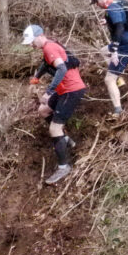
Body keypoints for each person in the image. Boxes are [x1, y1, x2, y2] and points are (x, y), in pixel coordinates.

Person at [23, 24, 86, 184]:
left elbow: (62, 68)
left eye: (32, 41)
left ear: (39, 36)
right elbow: (46, 63)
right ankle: (64, 139)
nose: (31, 45)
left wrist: (49, 91)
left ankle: (64, 167)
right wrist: (36, 77)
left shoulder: (49, 48)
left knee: (54, 128)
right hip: (63, 89)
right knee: (43, 110)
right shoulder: (49, 46)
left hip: (71, 91)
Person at [90, 0, 128, 118]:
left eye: (96, 1)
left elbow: (119, 28)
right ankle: (118, 75)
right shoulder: (119, 3)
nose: (97, 5)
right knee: (103, 50)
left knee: (108, 79)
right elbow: (121, 20)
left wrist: (115, 51)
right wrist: (107, 21)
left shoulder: (112, 8)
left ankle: (118, 110)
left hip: (126, 45)